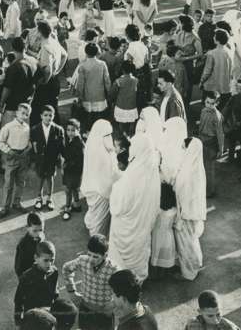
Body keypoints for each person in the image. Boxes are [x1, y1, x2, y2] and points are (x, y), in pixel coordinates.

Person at [108, 134, 161, 281]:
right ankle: (137, 279)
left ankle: (121, 279)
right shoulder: (152, 169)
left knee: (121, 258)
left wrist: (116, 186)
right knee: (139, 250)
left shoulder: (133, 172)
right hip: (143, 224)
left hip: (125, 225)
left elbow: (118, 206)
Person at [63, 234, 117, 330]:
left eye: (95, 257)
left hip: (104, 312)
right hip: (85, 309)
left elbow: (124, 288)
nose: (91, 259)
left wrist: (113, 304)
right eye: (89, 254)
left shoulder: (113, 269)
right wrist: (71, 291)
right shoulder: (83, 260)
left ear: (105, 255)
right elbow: (66, 268)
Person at [174, 137, 207, 280]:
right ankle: (196, 263)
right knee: (192, 240)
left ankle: (189, 270)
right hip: (194, 212)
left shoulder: (187, 170)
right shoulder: (198, 167)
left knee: (186, 243)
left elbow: (180, 189)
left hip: (185, 212)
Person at [81, 119, 121, 236]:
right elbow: (110, 174)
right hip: (101, 191)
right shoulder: (103, 154)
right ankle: (95, 236)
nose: (110, 137)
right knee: (99, 219)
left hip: (92, 187)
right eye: (107, 135)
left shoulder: (92, 146)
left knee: (94, 213)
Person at [14, 241, 59, 325]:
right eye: (45, 260)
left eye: (52, 260)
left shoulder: (54, 272)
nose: (49, 264)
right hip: (32, 316)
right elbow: (18, 300)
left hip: (48, 314)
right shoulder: (26, 277)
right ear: (36, 258)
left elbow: (55, 293)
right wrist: (18, 320)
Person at [31, 105, 65, 211]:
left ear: (54, 116)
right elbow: (34, 145)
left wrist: (61, 160)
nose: (48, 118)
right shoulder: (35, 129)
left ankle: (50, 198)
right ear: (41, 116)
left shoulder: (58, 129)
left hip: (52, 159)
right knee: (40, 177)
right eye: (45, 115)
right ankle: (38, 197)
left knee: (50, 178)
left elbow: (61, 146)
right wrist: (34, 158)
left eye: (51, 115)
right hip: (40, 159)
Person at [195, 93, 224, 198]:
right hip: (201, 140)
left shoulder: (217, 116)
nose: (209, 105)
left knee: (209, 169)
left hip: (210, 143)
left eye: (212, 103)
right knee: (200, 166)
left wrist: (220, 149)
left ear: (217, 103)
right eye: (207, 102)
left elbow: (220, 134)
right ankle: (201, 188)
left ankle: (210, 191)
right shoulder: (203, 111)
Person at [15, 212, 45, 279]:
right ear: (27, 228)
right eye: (35, 231)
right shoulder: (23, 245)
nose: (38, 234)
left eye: (41, 230)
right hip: (29, 276)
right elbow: (19, 268)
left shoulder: (41, 237)